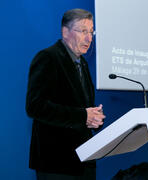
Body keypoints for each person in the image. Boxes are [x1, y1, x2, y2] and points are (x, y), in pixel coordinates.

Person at [26, 8, 105, 180]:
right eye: (83, 31)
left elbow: (79, 108)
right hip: (57, 163)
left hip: (84, 161)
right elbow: (35, 106)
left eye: (91, 32)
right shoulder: (48, 58)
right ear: (65, 32)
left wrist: (93, 118)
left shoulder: (82, 63)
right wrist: (82, 115)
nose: (89, 38)